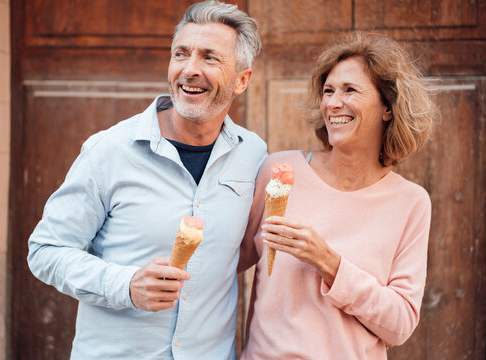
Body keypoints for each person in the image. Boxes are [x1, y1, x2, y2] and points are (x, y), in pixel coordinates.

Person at [27, 1, 266, 359]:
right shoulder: (107, 151)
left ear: (242, 80)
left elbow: (242, 251)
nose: (189, 70)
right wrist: (125, 285)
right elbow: (45, 250)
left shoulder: (253, 154)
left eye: (209, 58)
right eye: (180, 54)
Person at [239, 32, 437, 359]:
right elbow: (224, 262)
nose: (332, 103)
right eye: (328, 90)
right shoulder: (280, 171)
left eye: (350, 90)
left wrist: (328, 262)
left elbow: (399, 325)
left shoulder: (411, 203)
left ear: (388, 107)